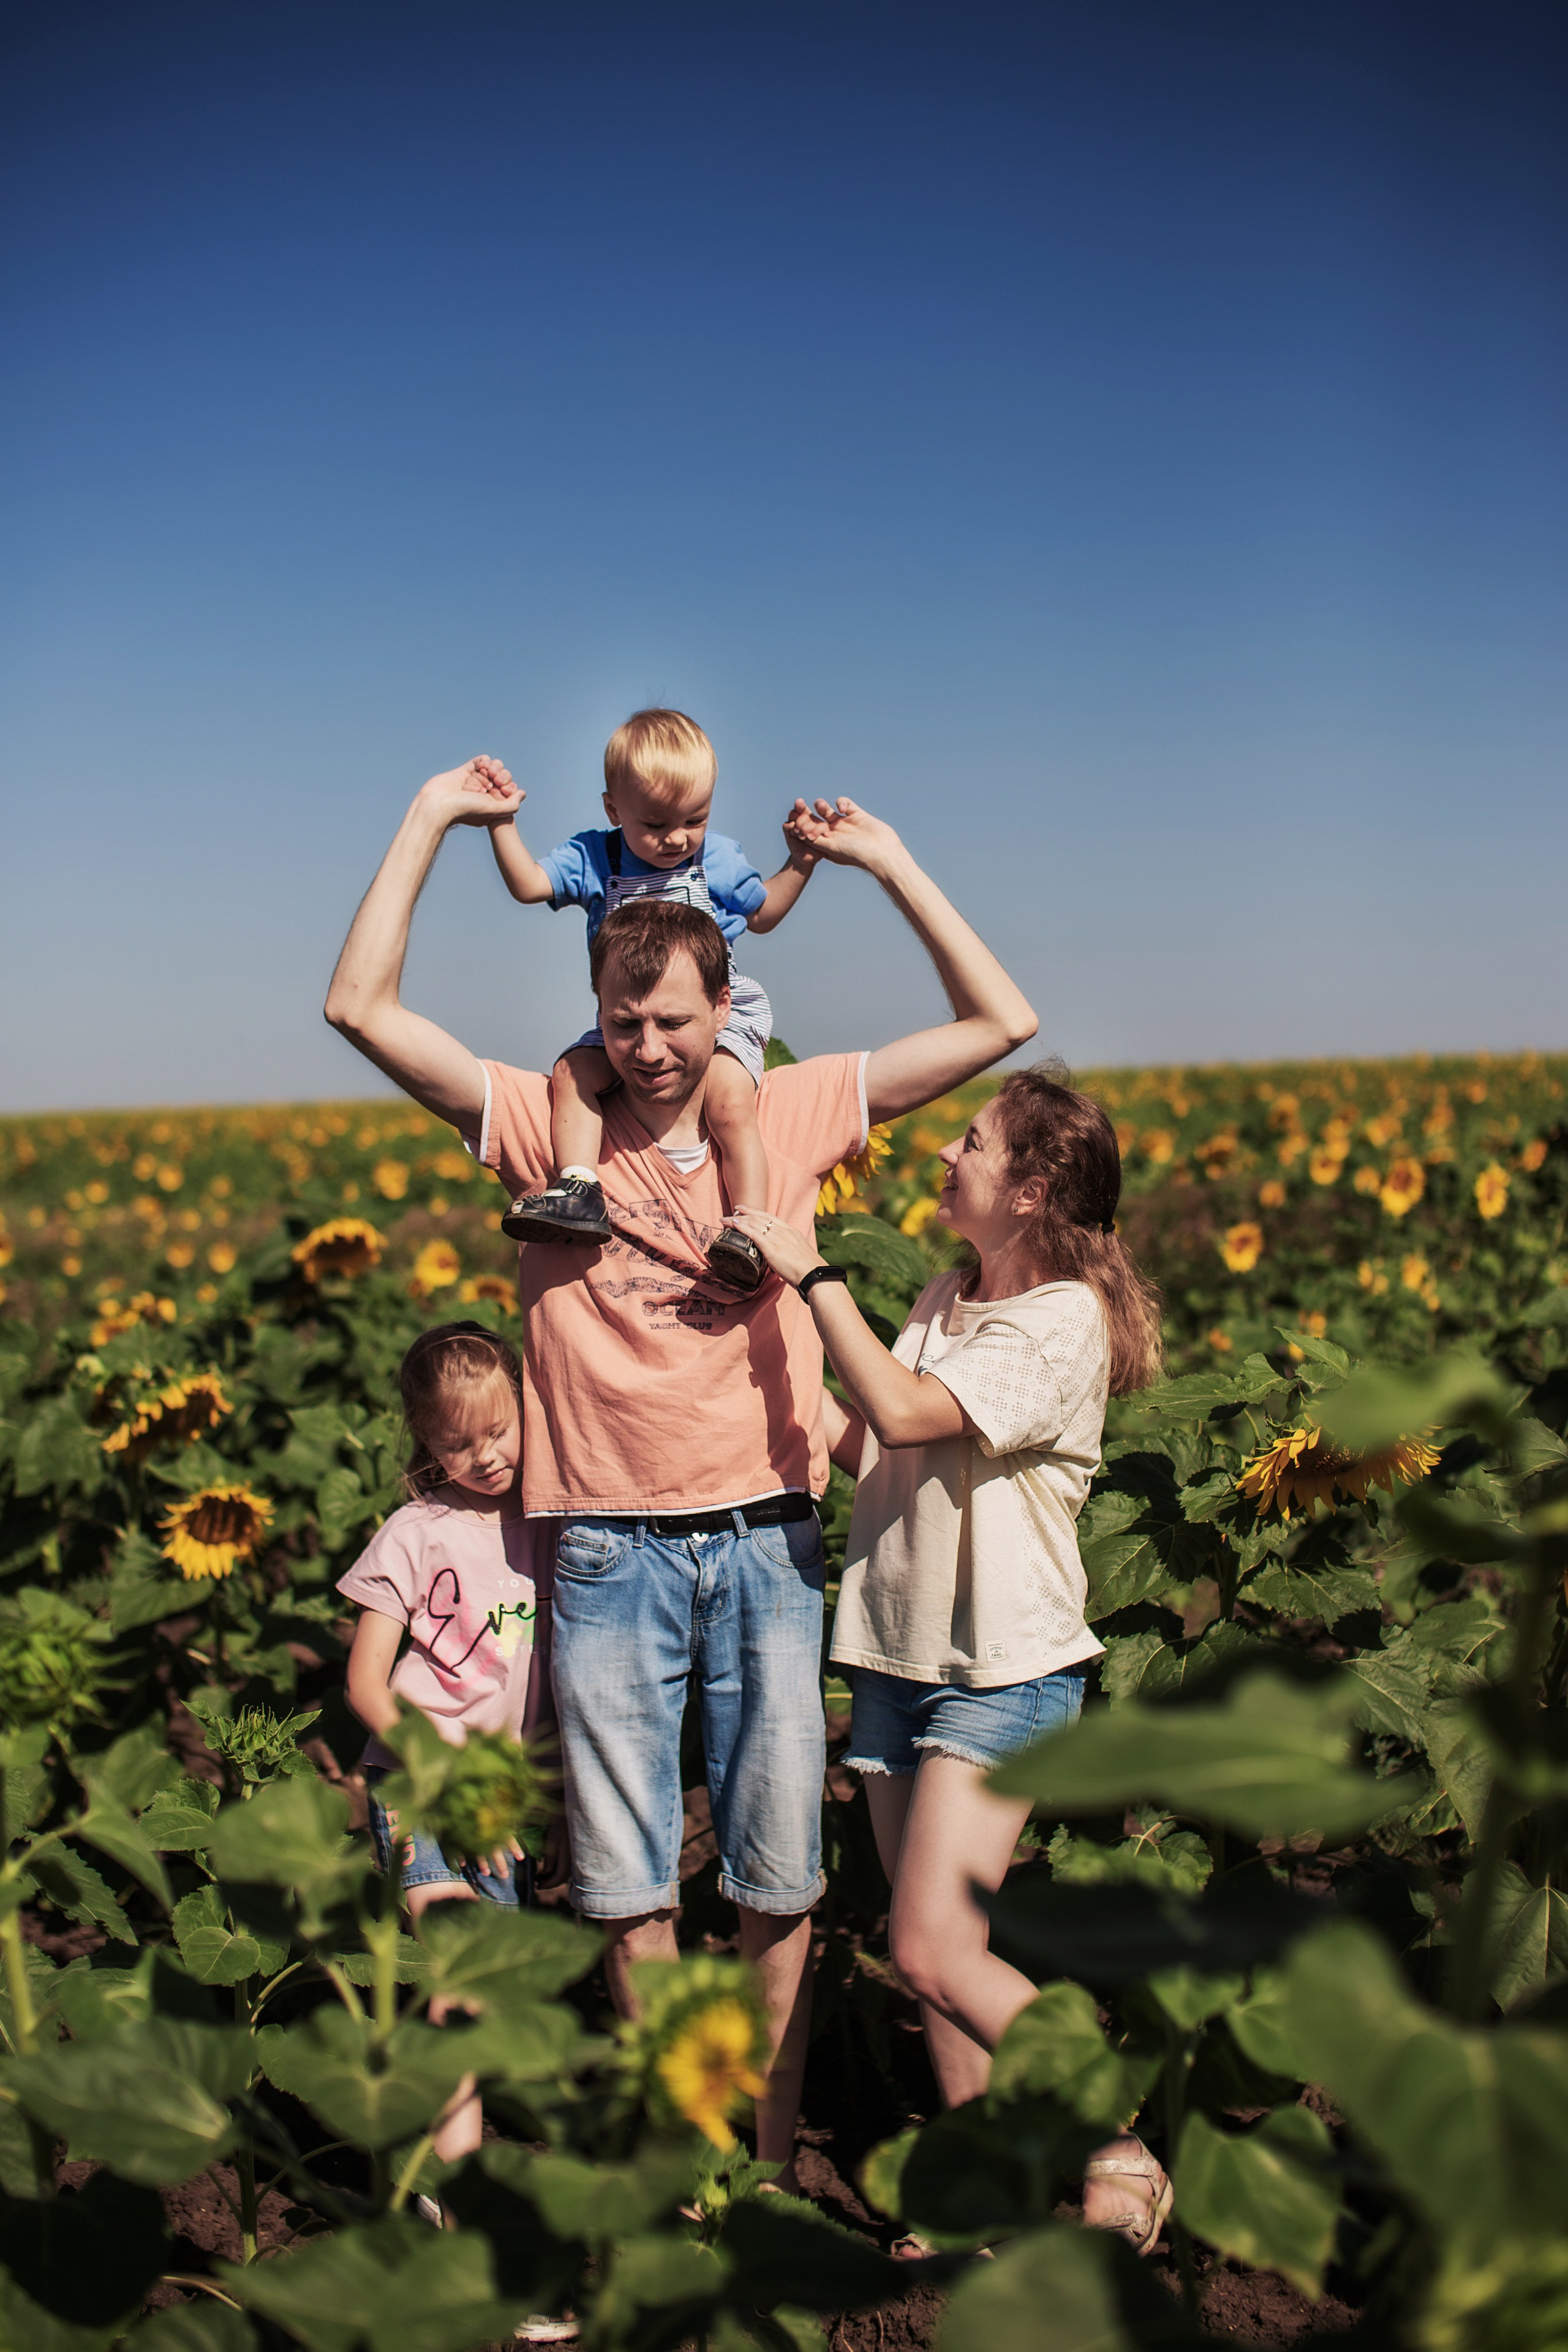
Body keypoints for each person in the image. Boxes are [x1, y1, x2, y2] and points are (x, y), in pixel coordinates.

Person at [324, 754, 1037, 2191]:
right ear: (589, 1020)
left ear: (729, 1014)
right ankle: (681, 2181)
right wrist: (429, 819)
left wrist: (887, 864)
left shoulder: (791, 1109)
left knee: (778, 1885)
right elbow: (360, 1009)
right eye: (619, 1022)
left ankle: (760, 2179)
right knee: (632, 1894)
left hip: (768, 1537)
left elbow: (999, 1020)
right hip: (601, 1550)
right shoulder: (544, 1126)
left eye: (671, 1021)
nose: (646, 1049)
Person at [729, 1068, 1174, 2251]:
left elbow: (915, 1411)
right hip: (895, 1654)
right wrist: (763, 1352)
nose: (945, 1158)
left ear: (1029, 1191)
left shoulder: (1063, 1318)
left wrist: (811, 1271)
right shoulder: (946, 1292)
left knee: (927, 1944)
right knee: (942, 1965)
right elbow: (873, 1434)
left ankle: (1114, 2141)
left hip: (1001, 1668)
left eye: (970, 1144)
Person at [487, 707, 820, 1292]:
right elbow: (528, 885)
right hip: (632, 1020)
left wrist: (800, 864)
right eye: (656, 823)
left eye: (695, 819)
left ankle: (750, 1229)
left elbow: (763, 913)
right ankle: (579, 1188)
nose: (676, 838)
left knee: (730, 1105)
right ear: (614, 810)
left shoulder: (713, 859)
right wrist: (500, 824)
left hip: (720, 1009)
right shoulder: (597, 857)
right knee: (572, 1073)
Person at [339, 1322, 559, 2173]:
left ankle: (430, 2162)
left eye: (499, 1429)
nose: (487, 1455)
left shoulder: (551, 1524)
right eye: (459, 1442)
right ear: (426, 1441)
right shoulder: (414, 1532)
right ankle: (452, 2192)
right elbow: (364, 1685)